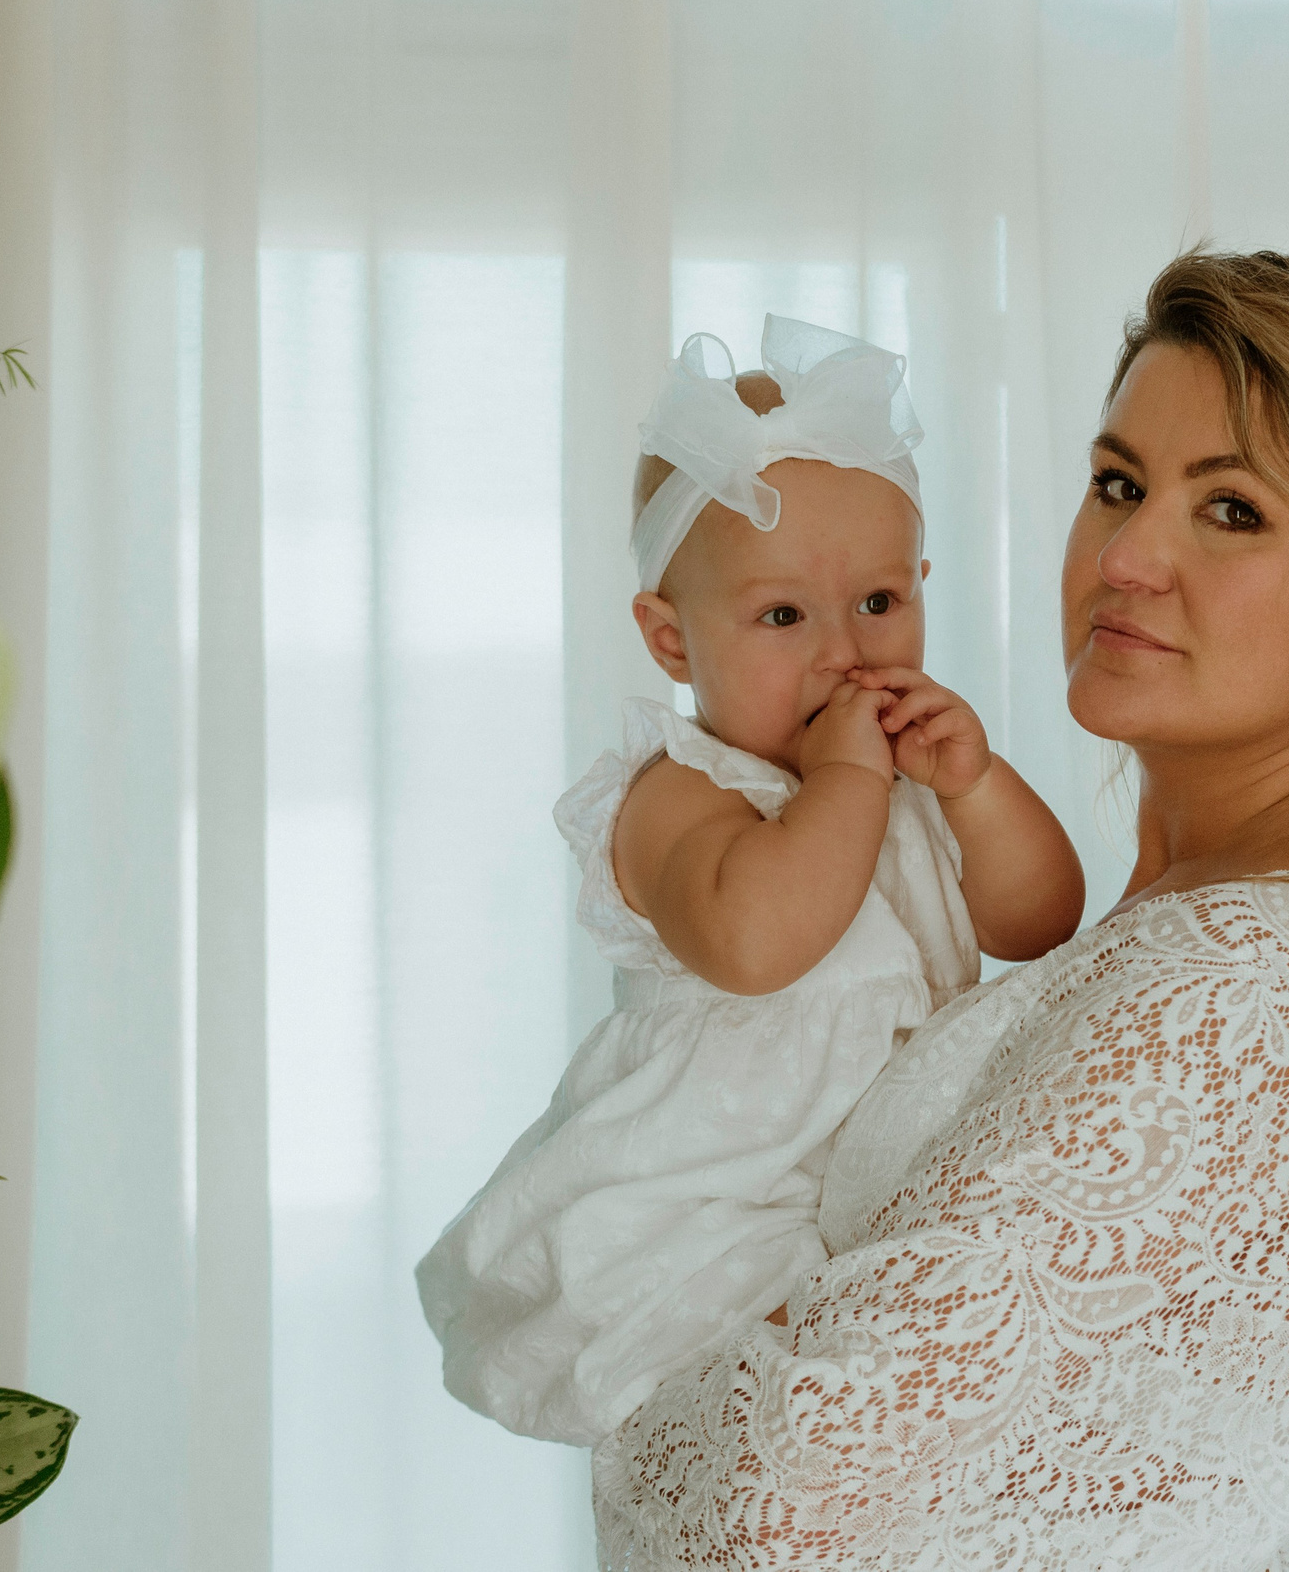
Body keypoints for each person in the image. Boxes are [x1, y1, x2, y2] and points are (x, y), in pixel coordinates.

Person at [593, 252, 1289, 1570]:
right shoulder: (1227, 942)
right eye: (1119, 485)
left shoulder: (1262, 989)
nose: (1131, 555)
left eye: (1234, 510)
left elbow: (781, 1504)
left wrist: (632, 1404)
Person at [415, 315, 1086, 1450]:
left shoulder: (905, 778)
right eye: (781, 615)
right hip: (711, 1196)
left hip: (879, 1182)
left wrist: (974, 784)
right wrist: (847, 780)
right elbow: (759, 940)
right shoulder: (672, 794)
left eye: (879, 602)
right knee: (795, 1420)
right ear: (671, 641)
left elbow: (1040, 918)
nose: (843, 651)